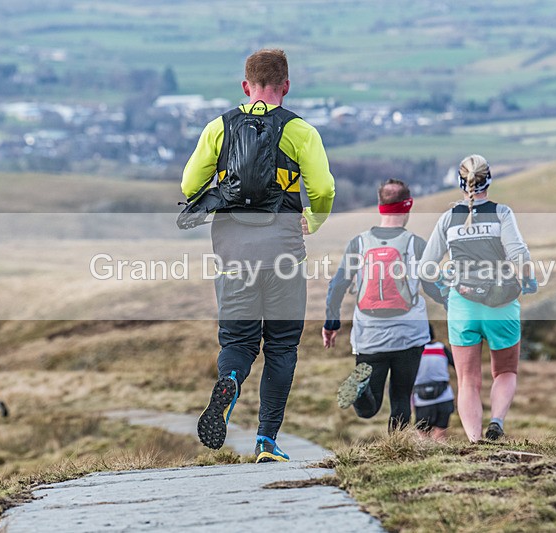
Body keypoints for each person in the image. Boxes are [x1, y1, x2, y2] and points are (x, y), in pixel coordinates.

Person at [181, 49, 335, 463]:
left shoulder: (219, 127)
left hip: (233, 250)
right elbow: (323, 189)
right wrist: (313, 220)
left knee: (238, 340)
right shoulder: (301, 131)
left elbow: (189, 184)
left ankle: (229, 380)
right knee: (282, 346)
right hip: (283, 248)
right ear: (286, 86)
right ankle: (267, 440)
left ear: (245, 87)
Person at [420, 154, 537, 442]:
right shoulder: (502, 213)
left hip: (462, 305)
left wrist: (444, 296)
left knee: (468, 381)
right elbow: (519, 255)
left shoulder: (448, 219)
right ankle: (496, 422)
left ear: (461, 183)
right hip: (502, 305)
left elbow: (426, 268)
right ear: (489, 180)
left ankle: (474, 440)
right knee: (506, 371)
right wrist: (527, 279)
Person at [323, 179, 446, 432]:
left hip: (369, 336)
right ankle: (397, 449)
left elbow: (337, 286)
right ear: (407, 206)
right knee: (401, 399)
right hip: (408, 335)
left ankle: (359, 391)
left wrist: (331, 323)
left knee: (369, 407)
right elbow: (433, 286)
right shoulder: (415, 244)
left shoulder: (359, 243)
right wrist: (452, 304)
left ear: (380, 205)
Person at [413, 324, 455, 442]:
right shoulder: (441, 348)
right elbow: (458, 366)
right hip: (444, 397)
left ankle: (426, 458)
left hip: (421, 401)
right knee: (440, 436)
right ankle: (441, 458)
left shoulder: (414, 351)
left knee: (422, 437)